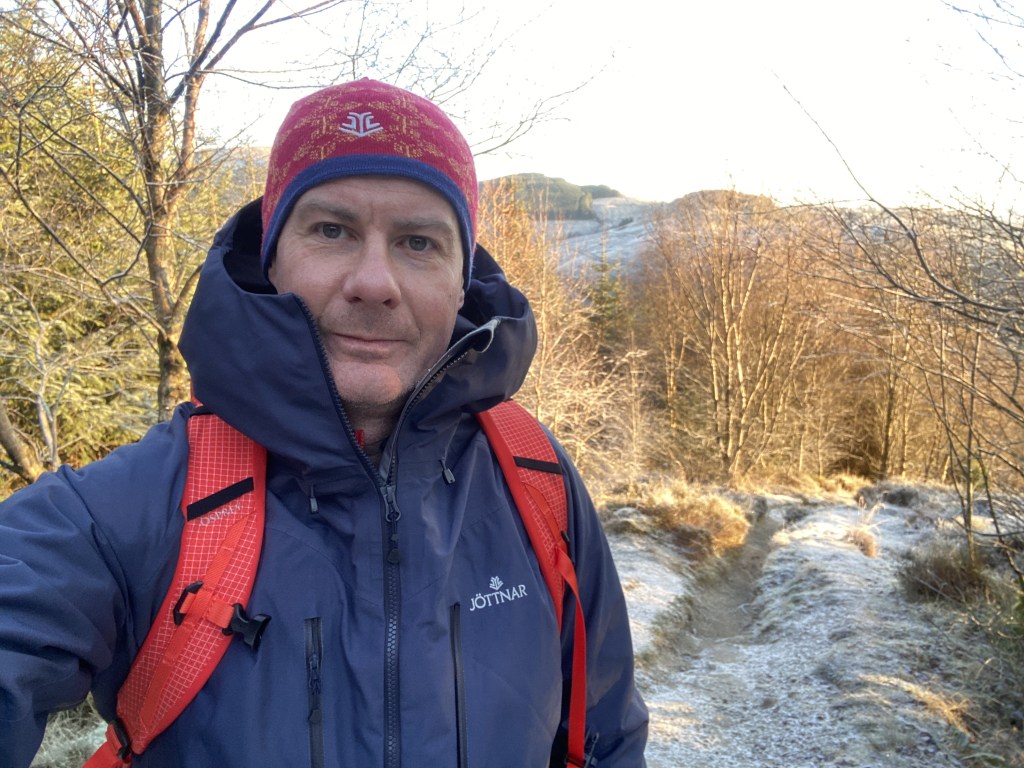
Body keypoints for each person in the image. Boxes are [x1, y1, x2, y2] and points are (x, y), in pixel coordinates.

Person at [0, 79, 648, 767]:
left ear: (462, 280)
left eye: (418, 242)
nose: (374, 282)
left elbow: (605, 738)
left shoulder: (535, 480)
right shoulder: (132, 510)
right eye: (332, 231)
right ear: (272, 258)